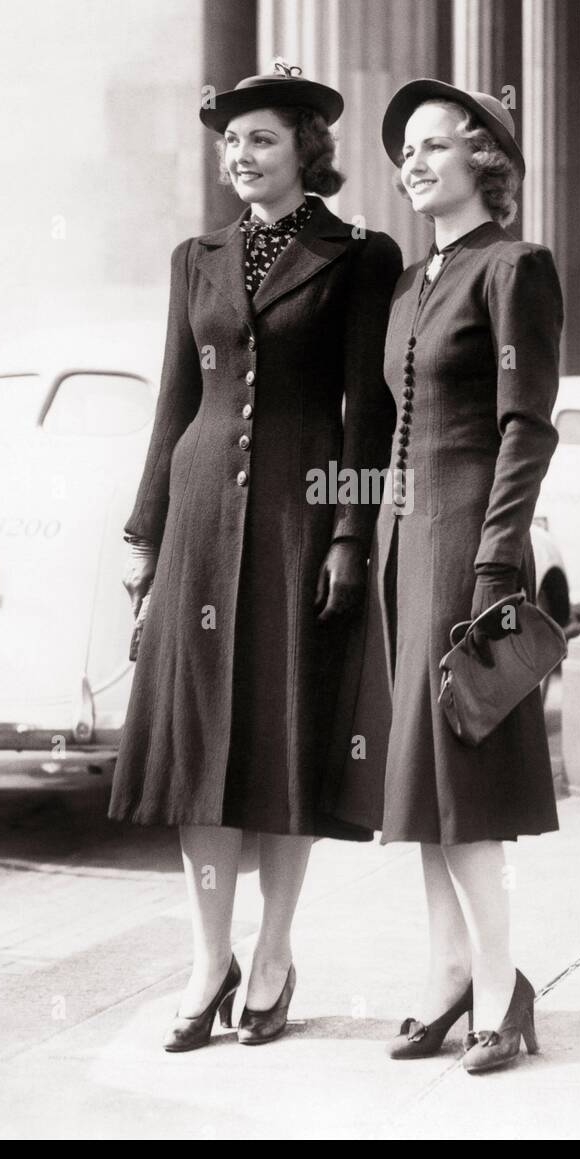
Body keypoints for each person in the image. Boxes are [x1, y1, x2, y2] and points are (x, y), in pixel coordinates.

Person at [108, 62, 402, 1052]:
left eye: (262, 139)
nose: (242, 155)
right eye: (231, 141)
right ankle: (207, 959)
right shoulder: (195, 256)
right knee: (198, 750)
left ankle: (272, 954)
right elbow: (172, 403)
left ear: (305, 151)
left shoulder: (359, 255)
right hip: (197, 515)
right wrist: (142, 537)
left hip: (300, 515)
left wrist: (353, 534)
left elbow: (371, 410)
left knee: (283, 740)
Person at [344, 79, 563, 1074]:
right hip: (406, 544)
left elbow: (526, 424)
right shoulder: (406, 285)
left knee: (464, 777)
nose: (413, 163)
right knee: (423, 787)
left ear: (485, 161)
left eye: (435, 145)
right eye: (405, 151)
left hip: (465, 537)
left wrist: (495, 554)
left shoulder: (515, 270)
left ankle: (500, 989)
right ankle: (445, 975)